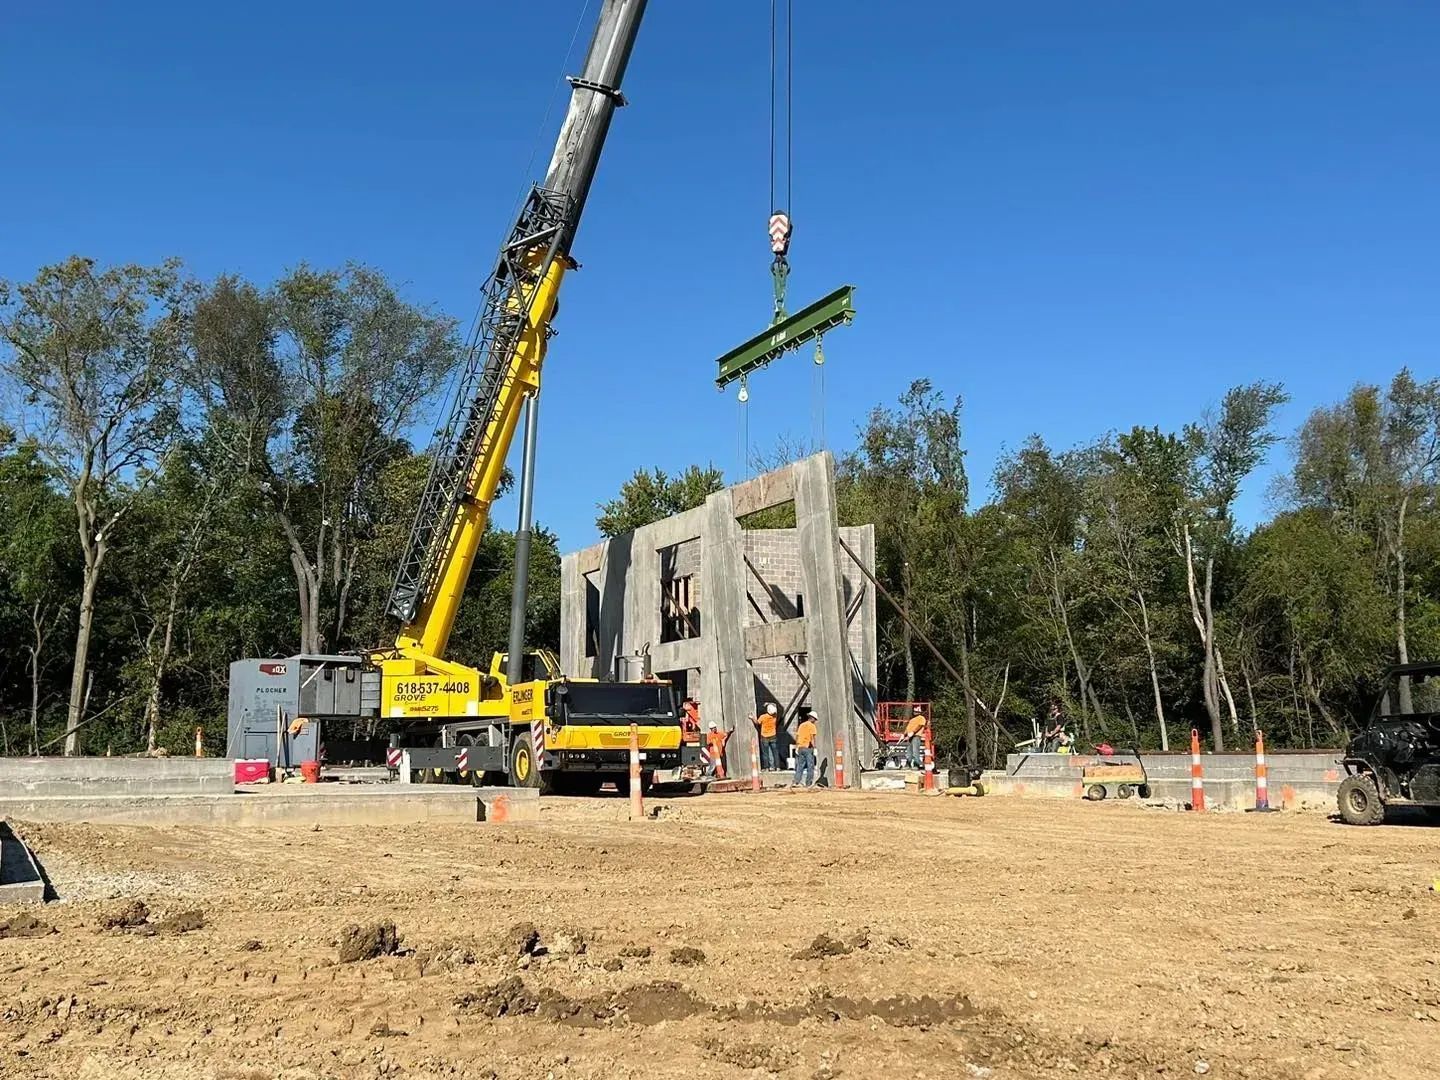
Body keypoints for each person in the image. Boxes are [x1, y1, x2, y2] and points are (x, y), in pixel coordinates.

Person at [750, 702, 780, 770]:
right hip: (773, 736)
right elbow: (775, 705)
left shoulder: (763, 717)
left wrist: (752, 718)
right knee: (775, 752)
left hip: (765, 736)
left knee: (765, 753)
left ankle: (767, 767)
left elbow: (757, 722)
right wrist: (769, 703)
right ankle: (777, 767)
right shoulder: (775, 716)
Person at [793, 708, 818, 788]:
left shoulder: (802, 725)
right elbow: (812, 738)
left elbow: (797, 736)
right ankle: (808, 783)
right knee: (810, 766)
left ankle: (796, 782)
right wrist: (814, 747)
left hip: (800, 748)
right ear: (813, 718)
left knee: (800, 766)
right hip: (808, 748)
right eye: (815, 719)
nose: (815, 721)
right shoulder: (812, 726)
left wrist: (797, 746)